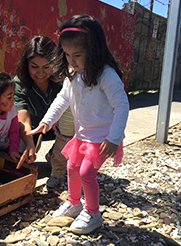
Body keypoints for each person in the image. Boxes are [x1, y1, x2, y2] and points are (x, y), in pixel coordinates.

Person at [28, 15, 129, 234]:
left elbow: (122, 106)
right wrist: (47, 120)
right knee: (71, 167)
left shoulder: (106, 75)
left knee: (86, 172)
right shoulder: (73, 74)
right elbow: (62, 99)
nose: (71, 61)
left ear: (93, 51)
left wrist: (114, 138)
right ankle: (74, 203)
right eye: (66, 55)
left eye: (77, 55)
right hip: (82, 136)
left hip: (102, 139)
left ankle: (93, 212)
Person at [14, 35, 74, 188]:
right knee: (21, 159)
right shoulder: (19, 82)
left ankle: (54, 155)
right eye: (34, 66)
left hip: (59, 128)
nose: (40, 73)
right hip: (33, 128)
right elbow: (22, 114)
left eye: (46, 67)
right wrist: (28, 141)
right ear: (26, 64)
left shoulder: (64, 79)